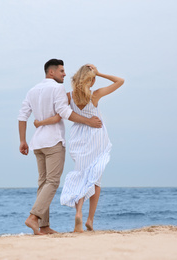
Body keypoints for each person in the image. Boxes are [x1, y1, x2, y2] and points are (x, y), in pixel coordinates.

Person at [34, 64, 124, 232]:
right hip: (96, 138)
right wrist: (99, 72)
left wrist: (39, 123)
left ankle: (79, 214)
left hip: (78, 139)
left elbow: (56, 116)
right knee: (95, 178)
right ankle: (90, 219)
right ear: (92, 80)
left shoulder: (70, 96)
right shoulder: (95, 95)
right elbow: (120, 81)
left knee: (82, 175)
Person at [18, 59, 102, 235]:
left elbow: (22, 116)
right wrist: (88, 121)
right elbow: (64, 113)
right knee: (53, 182)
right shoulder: (57, 88)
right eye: (62, 71)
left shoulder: (32, 90)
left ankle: (44, 226)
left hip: (37, 143)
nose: (64, 74)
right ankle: (33, 217)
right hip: (53, 142)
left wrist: (22, 141)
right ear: (51, 72)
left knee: (43, 184)